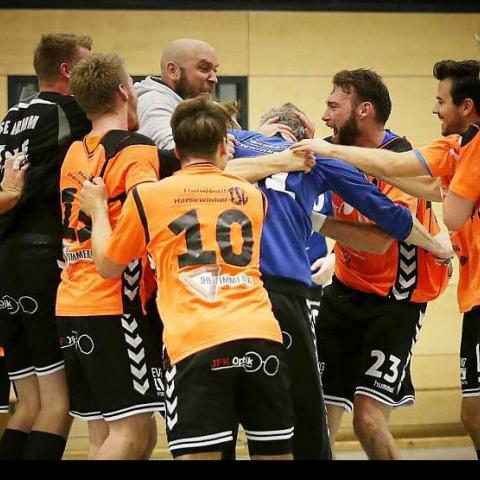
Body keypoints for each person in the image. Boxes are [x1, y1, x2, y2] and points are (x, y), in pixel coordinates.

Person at [229, 102, 453, 460]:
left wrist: (320, 231)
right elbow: (392, 220)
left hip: (226, 295)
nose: (325, 117)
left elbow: (384, 233)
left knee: (349, 418)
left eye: (332, 106)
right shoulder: (316, 157)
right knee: (308, 416)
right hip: (294, 293)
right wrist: (437, 245)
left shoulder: (230, 142)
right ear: (304, 134)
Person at [80, 97, 295, 460]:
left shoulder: (149, 196)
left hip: (195, 343)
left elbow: (108, 265)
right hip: (261, 336)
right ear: (224, 146)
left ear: (177, 150)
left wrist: (99, 210)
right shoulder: (252, 195)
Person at [292, 59, 480, 460]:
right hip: (346, 290)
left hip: (396, 300)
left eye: (333, 106)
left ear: (364, 111)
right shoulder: (335, 152)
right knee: (317, 411)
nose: (324, 115)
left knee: (368, 419)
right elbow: (348, 214)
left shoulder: (403, 155)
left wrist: (312, 219)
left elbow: (379, 239)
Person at [55, 53, 166, 460]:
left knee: (108, 434)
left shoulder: (73, 151)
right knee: (131, 434)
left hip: (71, 301)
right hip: (114, 304)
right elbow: (147, 207)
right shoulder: (136, 149)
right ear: (123, 91)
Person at [0, 33, 92, 460]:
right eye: (87, 66)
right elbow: (117, 120)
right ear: (67, 71)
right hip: (39, 258)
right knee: (58, 403)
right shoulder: (68, 109)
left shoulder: (9, 117)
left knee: (29, 403)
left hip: (5, 258)